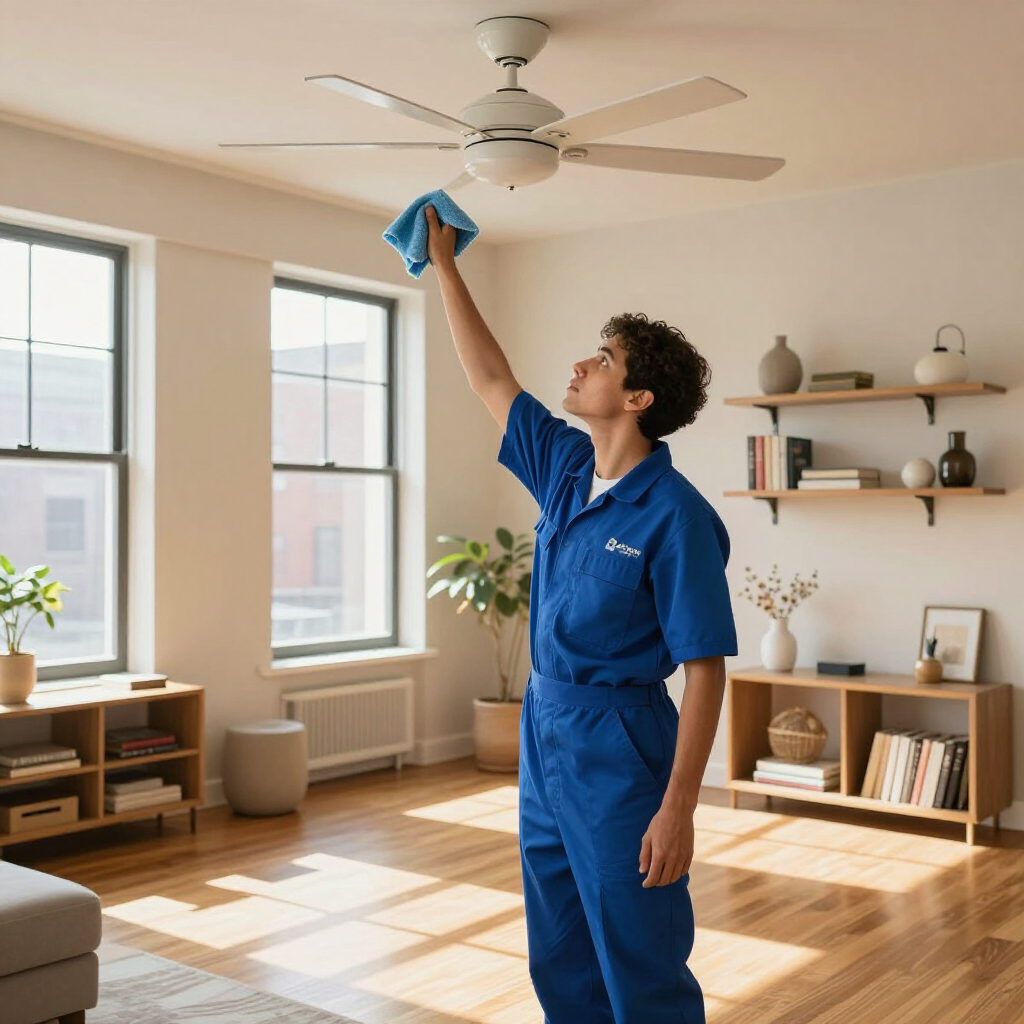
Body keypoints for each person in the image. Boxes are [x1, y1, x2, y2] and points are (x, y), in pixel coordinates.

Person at [424, 205, 737, 1024]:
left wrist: (678, 811)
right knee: (558, 951)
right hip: (544, 727)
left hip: (623, 748)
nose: (580, 365)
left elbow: (706, 671)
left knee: (639, 955)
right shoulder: (564, 469)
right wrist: (445, 267)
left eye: (601, 360)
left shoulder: (677, 516)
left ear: (636, 397)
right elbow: (491, 380)